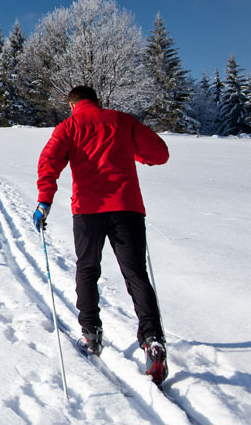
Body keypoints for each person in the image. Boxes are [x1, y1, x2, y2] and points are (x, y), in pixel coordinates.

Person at [32, 85, 170, 385]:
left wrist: (45, 201)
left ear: (72, 105)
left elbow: (49, 162)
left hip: (88, 212)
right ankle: (153, 339)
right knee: (135, 274)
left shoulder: (68, 127)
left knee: (87, 269)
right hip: (127, 209)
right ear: (98, 100)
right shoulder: (122, 121)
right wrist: (131, 151)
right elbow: (159, 153)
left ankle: (91, 333)